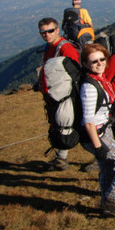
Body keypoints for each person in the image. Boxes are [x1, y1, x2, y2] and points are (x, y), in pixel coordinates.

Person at [80, 43, 115, 216]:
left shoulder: (102, 80)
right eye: (93, 61)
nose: (99, 63)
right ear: (85, 64)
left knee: (108, 168)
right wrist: (98, 147)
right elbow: (88, 120)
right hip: (96, 135)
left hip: (104, 130)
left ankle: (106, 206)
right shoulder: (89, 86)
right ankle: (114, 199)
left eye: (102, 59)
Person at [38, 17, 80, 171]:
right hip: (56, 95)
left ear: (57, 30)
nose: (47, 34)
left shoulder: (65, 48)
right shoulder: (49, 48)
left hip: (66, 96)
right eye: (43, 32)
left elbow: (74, 73)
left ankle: (99, 156)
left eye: (50, 31)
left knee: (70, 125)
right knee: (63, 126)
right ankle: (61, 159)